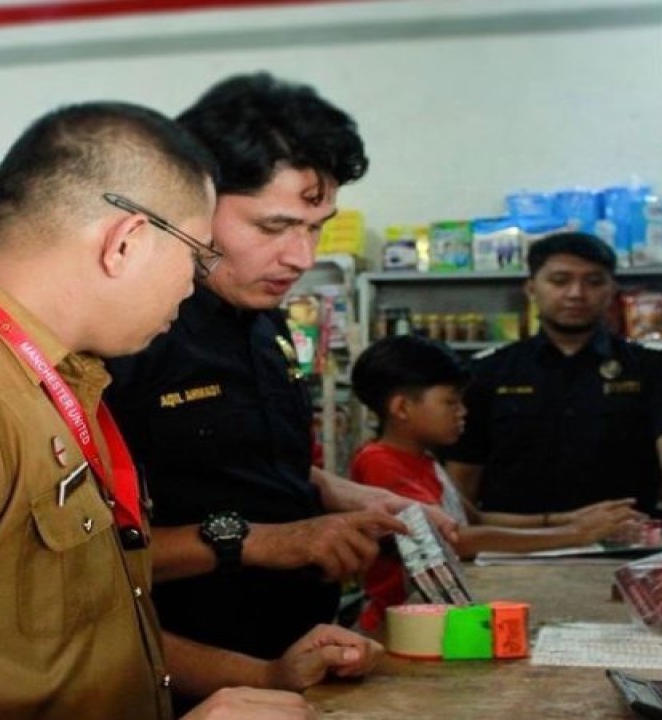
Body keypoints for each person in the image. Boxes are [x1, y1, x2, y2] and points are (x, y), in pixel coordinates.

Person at [0, 101, 382, 720]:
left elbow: (78, 638)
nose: (194, 285)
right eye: (194, 257)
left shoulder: (47, 378)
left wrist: (263, 675)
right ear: (126, 242)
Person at [102, 72, 452, 708]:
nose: (300, 256)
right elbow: (86, 563)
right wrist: (274, 541)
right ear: (192, 202)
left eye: (317, 228)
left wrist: (366, 500)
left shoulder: (266, 320)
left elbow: (259, 464)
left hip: (299, 659)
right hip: (188, 681)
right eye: (273, 227)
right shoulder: (127, 338)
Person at [348, 334, 645, 632]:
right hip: (400, 627)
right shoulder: (380, 462)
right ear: (401, 408)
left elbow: (476, 519)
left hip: (436, 619)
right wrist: (573, 534)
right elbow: (455, 541)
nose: (463, 411)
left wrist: (570, 518)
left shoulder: (424, 458)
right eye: (450, 402)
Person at [439, 231, 662, 516]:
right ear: (531, 289)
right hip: (514, 550)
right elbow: (463, 475)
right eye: (560, 281)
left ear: (612, 290)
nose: (576, 293)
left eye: (594, 281)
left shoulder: (652, 369)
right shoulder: (489, 371)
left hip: (624, 546)